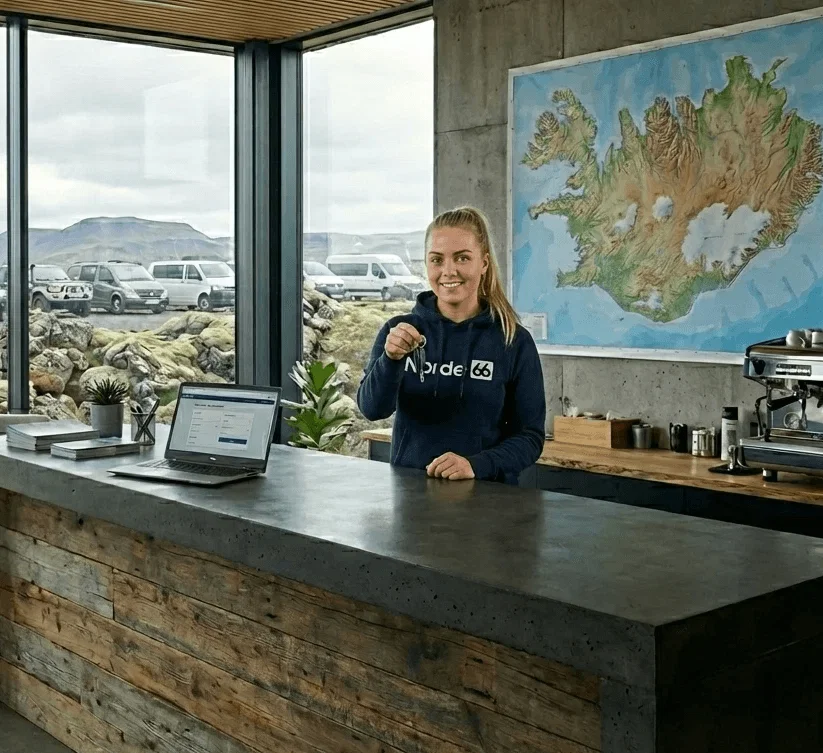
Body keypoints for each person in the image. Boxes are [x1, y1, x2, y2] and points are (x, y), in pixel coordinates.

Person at [357, 206, 546, 484]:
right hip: (412, 502)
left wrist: (476, 465)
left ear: (483, 263)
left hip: (487, 504)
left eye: (462, 258)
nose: (448, 271)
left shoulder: (512, 340)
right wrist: (391, 359)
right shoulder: (399, 331)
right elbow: (372, 410)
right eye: (436, 260)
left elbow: (530, 438)